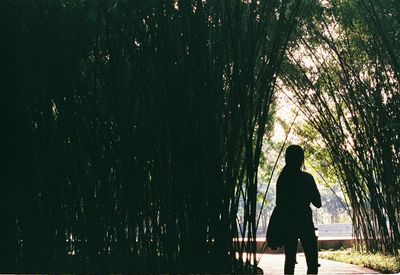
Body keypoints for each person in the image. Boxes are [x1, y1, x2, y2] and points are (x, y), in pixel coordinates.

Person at [274, 145, 321, 274]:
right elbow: (318, 203)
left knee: (289, 261)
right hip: (305, 222)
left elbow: (279, 204)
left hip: (288, 224)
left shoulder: (282, 179)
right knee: (312, 262)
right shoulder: (307, 178)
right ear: (301, 159)